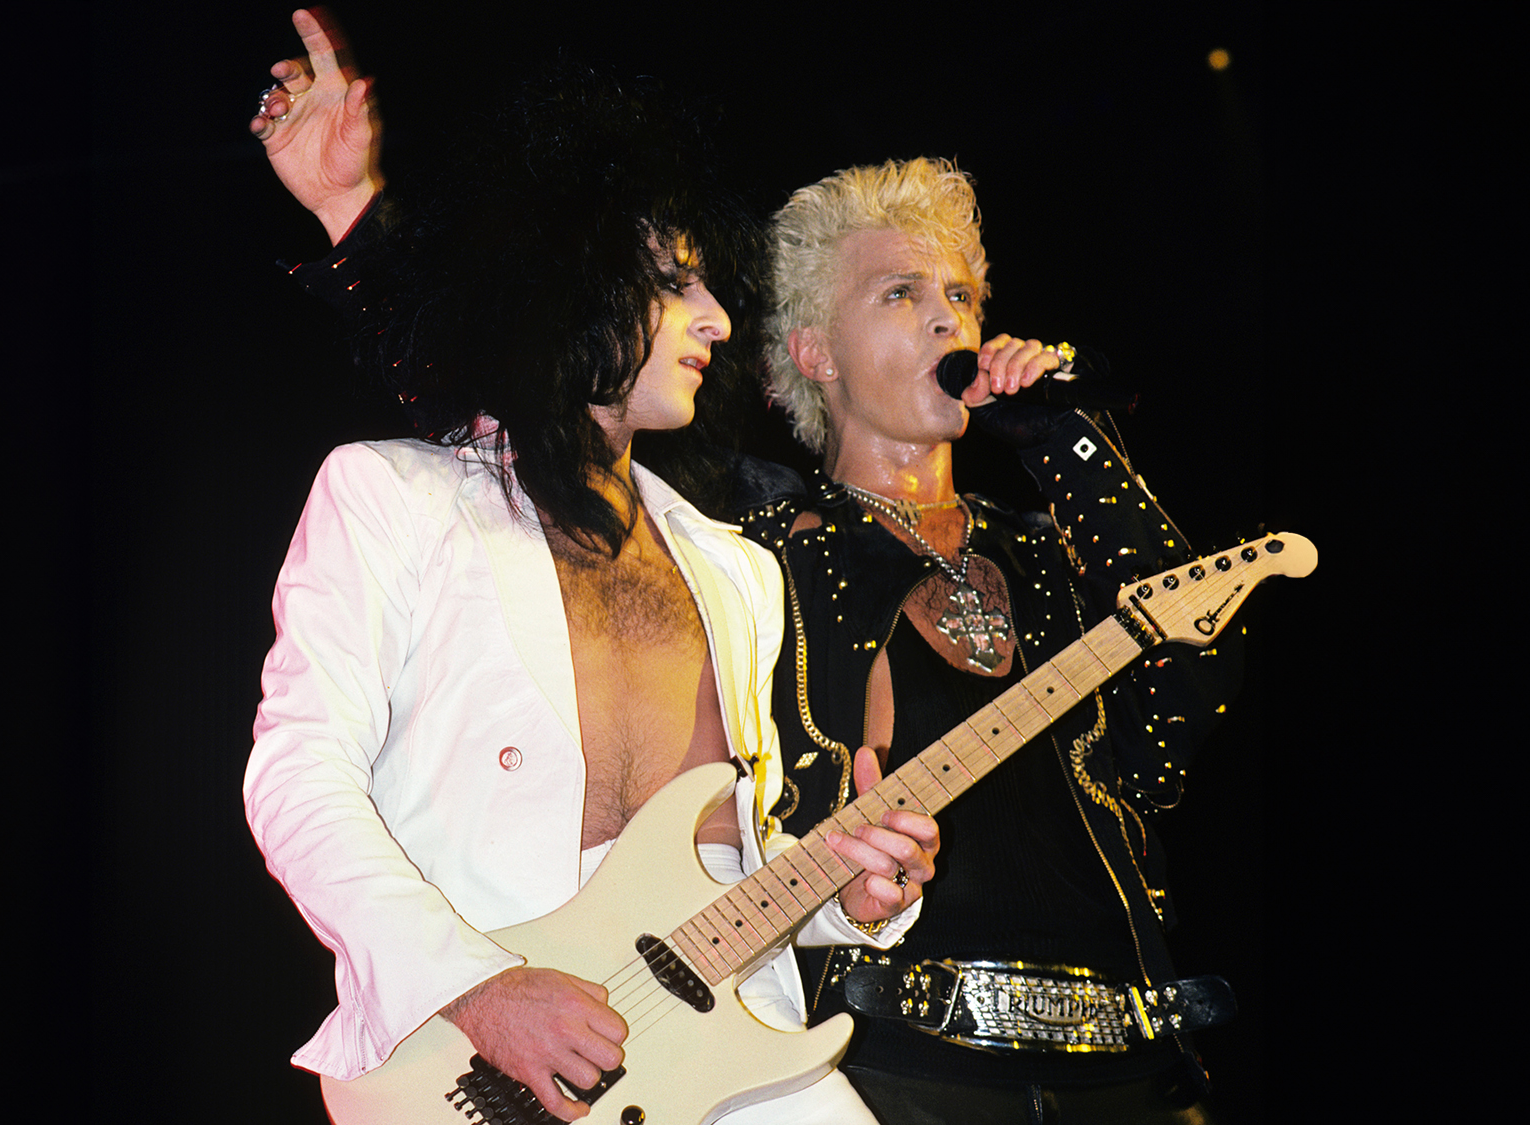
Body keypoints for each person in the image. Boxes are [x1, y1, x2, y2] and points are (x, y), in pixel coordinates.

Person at [240, 11, 937, 1124]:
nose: (715, 319)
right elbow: (297, 779)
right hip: (471, 1053)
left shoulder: (734, 571)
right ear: (571, 291)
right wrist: (475, 988)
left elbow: (730, 859)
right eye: (677, 285)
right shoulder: (393, 496)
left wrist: (845, 897)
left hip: (727, 1048)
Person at [733, 158, 1244, 1123]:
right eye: (902, 292)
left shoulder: (1052, 553)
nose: (948, 322)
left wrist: (1066, 438)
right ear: (816, 353)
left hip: (1130, 1068)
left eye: (960, 295)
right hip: (895, 1072)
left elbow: (1188, 695)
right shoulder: (767, 561)